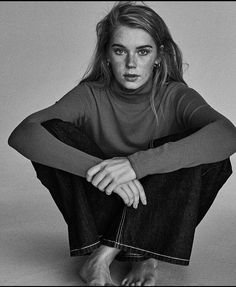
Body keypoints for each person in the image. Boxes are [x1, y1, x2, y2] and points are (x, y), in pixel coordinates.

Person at [8, 1, 236, 286]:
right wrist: (104, 171)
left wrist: (134, 165)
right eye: (120, 51)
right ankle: (141, 252)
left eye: (143, 51)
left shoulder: (175, 96)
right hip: (100, 209)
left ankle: (112, 256)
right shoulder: (90, 95)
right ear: (106, 55)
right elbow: (24, 133)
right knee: (53, 130)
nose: (131, 64)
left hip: (157, 211)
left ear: (158, 56)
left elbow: (228, 134)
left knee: (211, 157)